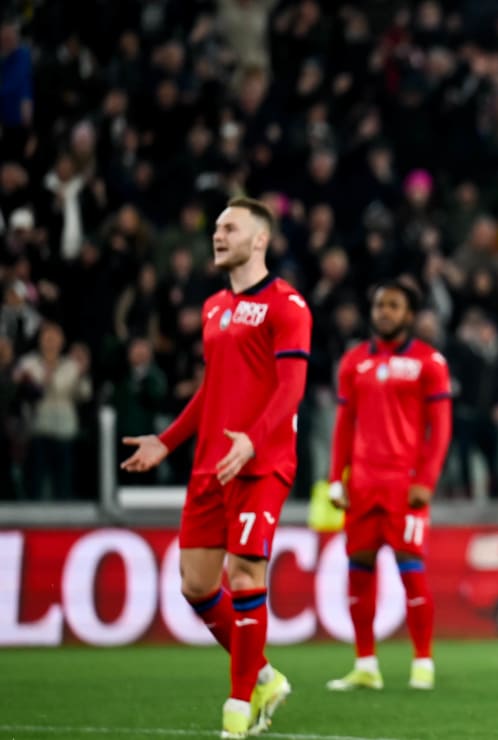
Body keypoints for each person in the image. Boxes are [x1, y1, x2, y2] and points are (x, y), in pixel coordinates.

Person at [119, 197, 311, 738]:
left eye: (231, 228)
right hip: (211, 463)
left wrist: (253, 440)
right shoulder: (213, 309)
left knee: (245, 576)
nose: (218, 235)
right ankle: (265, 676)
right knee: (197, 586)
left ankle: (237, 707)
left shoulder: (287, 305)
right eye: (217, 228)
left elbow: (291, 388)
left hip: (262, 461)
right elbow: (213, 389)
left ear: (260, 240)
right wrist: (168, 441)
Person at [325, 278, 452, 692]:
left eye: (393, 305)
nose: (384, 312)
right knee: (358, 572)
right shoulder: (353, 362)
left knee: (411, 571)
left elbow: (441, 428)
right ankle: (365, 664)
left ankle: (423, 662)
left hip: (405, 484)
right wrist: (336, 478)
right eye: (380, 305)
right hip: (362, 485)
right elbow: (344, 425)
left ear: (409, 315)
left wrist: (426, 480)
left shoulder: (428, 362)